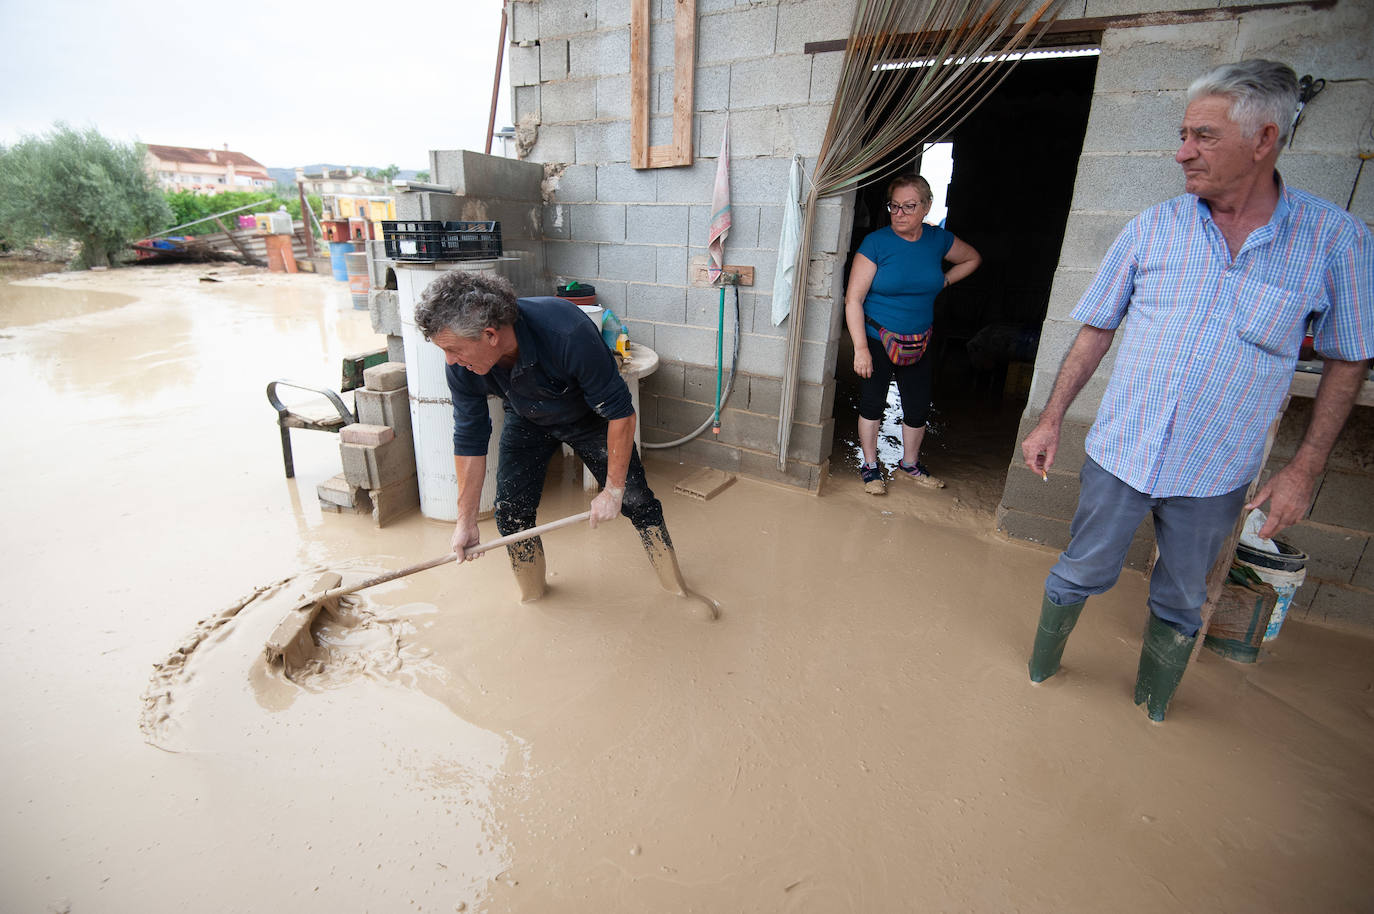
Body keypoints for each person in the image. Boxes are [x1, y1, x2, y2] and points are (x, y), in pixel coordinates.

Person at [1020, 60, 1372, 721]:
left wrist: (1305, 467)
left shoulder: (1335, 241)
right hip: (1122, 451)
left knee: (1183, 598)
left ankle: (1153, 710)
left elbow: (1347, 361)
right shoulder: (1154, 227)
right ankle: (1040, 676)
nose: (1183, 152)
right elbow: (1096, 330)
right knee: (1079, 570)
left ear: (1264, 139)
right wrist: (1049, 420)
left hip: (1216, 470)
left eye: (1203, 136)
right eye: (1184, 133)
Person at [414, 270, 698, 612]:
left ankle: (676, 588)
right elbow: (470, 437)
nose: (449, 360)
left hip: (588, 416)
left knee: (636, 501)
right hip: (527, 415)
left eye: (452, 349)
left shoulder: (566, 331)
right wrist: (466, 522)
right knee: (511, 514)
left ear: (490, 334)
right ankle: (532, 598)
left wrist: (613, 490)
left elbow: (621, 414)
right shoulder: (462, 367)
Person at [844, 173, 982, 494]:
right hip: (878, 339)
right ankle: (870, 466)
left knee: (918, 406)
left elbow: (973, 258)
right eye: (894, 207)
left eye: (909, 206)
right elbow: (853, 299)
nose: (900, 214)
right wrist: (860, 348)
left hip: (920, 340)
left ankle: (910, 464)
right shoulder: (876, 243)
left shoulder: (938, 241)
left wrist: (944, 281)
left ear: (927, 207)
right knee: (872, 403)